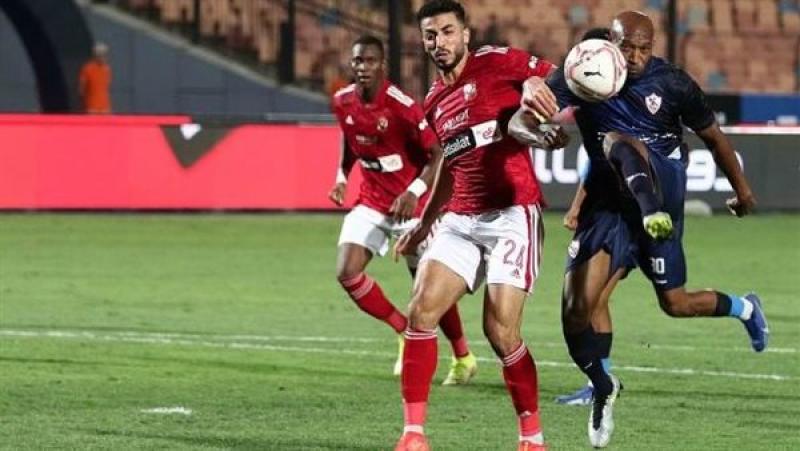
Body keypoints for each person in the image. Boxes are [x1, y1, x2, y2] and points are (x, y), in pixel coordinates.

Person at [515, 10, 769, 448]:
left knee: (675, 303)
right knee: (579, 307)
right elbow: (521, 121)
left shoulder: (673, 83)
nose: (634, 56)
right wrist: (537, 132)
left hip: (662, 191)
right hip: (611, 207)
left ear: (654, 47)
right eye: (626, 47)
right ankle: (602, 385)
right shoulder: (583, 72)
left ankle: (746, 308)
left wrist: (742, 191)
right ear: (610, 42)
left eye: (643, 48)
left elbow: (714, 138)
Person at [392, 2, 565, 450]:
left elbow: (560, 78)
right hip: (460, 218)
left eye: (448, 31)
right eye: (431, 35)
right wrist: (424, 224)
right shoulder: (433, 101)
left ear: (465, 34)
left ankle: (532, 438)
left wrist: (535, 83)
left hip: (513, 213)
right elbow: (450, 168)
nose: (440, 42)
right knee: (421, 311)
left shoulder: (496, 61)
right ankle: (413, 435)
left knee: (500, 332)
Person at [329, 35, 478, 384]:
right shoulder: (342, 101)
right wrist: (341, 176)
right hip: (371, 201)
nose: (362, 67)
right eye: (357, 61)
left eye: (369, 61)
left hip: (413, 210)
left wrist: (413, 192)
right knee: (347, 272)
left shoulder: (402, 106)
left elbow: (438, 154)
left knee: (429, 291)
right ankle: (401, 329)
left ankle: (463, 357)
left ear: (382, 65)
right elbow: (350, 138)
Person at [79, 42, 112, 114]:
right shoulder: (87, 68)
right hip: (92, 107)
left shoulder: (107, 69)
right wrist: (85, 102)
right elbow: (82, 88)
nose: (104, 57)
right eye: (101, 54)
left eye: (105, 55)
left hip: (105, 107)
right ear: (96, 55)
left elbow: (106, 86)